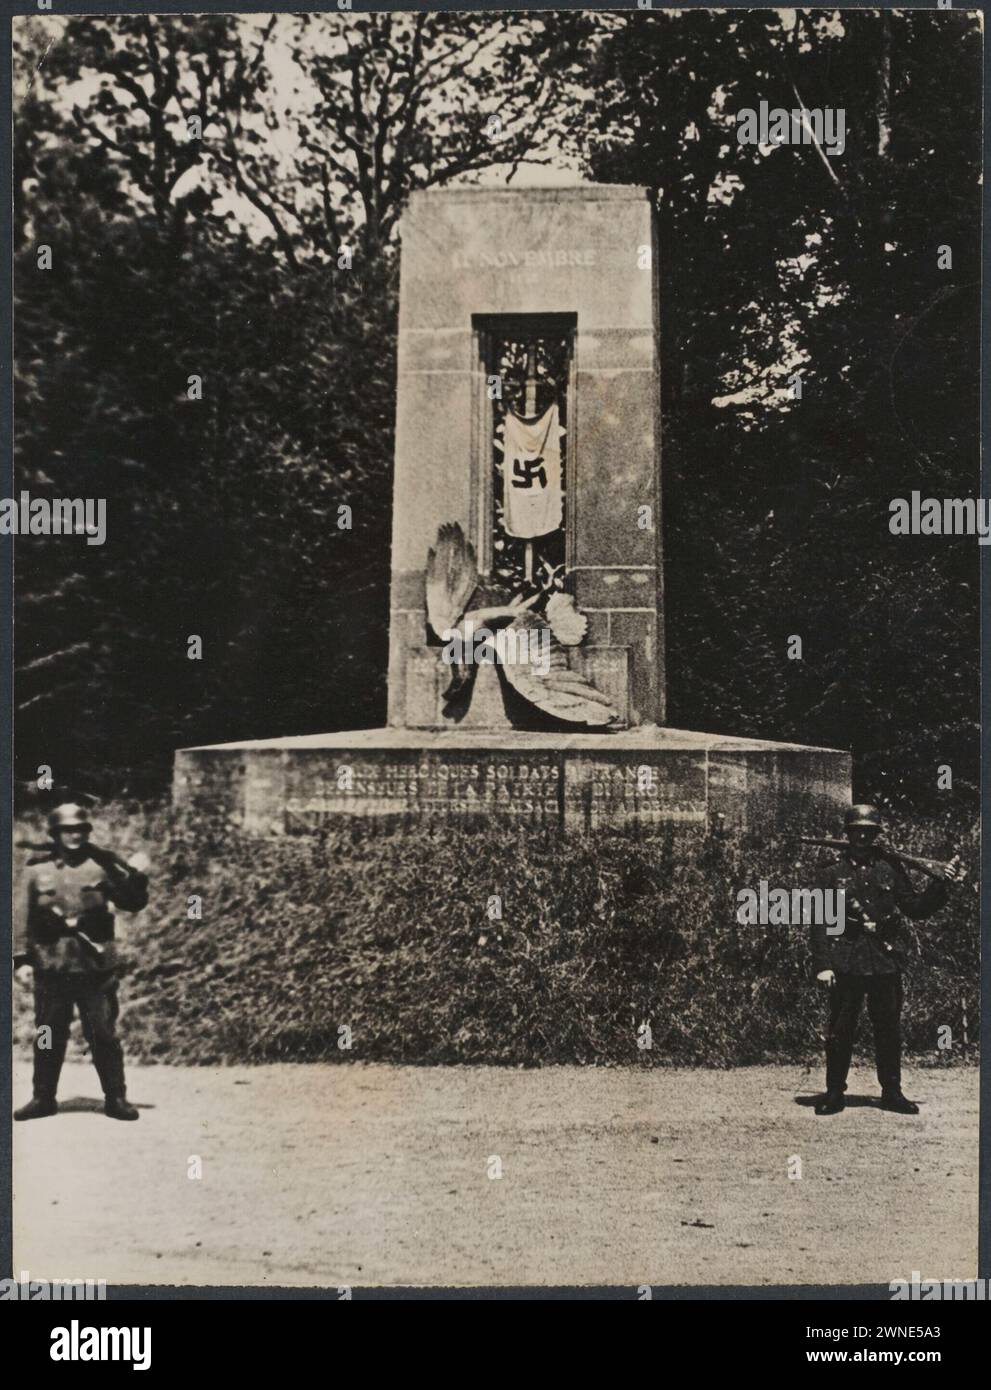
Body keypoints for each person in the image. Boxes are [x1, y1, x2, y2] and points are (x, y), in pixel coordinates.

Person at [811, 803, 963, 1117]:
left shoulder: (891, 869)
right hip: (846, 960)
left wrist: (941, 883)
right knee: (841, 1029)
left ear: (876, 835)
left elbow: (916, 909)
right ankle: (834, 1092)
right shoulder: (830, 873)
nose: (862, 837)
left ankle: (892, 1093)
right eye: (857, 831)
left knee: (889, 1029)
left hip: (884, 958)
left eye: (869, 832)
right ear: (848, 834)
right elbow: (821, 923)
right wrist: (824, 964)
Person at [13, 803, 149, 1121]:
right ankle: (43, 1097)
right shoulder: (36, 870)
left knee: (103, 1033)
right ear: (55, 834)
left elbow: (133, 902)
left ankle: (116, 1098)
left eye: (79, 830)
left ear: (87, 833)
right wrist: (21, 960)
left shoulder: (101, 866)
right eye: (66, 830)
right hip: (52, 966)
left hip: (94, 967)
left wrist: (138, 875)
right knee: (48, 1033)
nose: (74, 836)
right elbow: (20, 918)